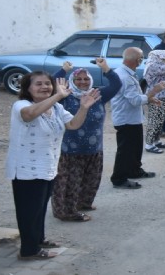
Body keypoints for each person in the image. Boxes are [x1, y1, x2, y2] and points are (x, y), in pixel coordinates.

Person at [6, 72, 99, 260]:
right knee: (29, 212)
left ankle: (38, 240)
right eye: (38, 84)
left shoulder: (56, 108)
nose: (44, 87)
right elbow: (29, 115)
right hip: (26, 169)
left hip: (48, 166)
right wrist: (58, 95)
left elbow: (73, 124)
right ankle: (29, 251)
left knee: (39, 209)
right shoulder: (21, 105)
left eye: (48, 84)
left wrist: (84, 108)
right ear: (27, 88)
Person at [51, 59, 121, 222]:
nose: (83, 82)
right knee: (69, 183)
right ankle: (67, 212)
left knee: (90, 180)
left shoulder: (97, 95)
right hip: (70, 150)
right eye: (78, 79)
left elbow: (116, 84)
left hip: (94, 148)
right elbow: (52, 82)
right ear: (72, 81)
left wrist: (105, 68)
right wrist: (63, 70)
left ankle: (83, 203)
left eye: (86, 79)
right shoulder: (64, 97)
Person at [110, 47, 165, 189]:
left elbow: (134, 97)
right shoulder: (124, 76)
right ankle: (119, 178)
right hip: (125, 119)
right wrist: (154, 91)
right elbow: (135, 100)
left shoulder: (127, 73)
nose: (142, 60)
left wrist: (150, 99)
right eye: (141, 58)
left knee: (135, 148)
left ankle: (134, 170)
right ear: (137, 60)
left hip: (132, 118)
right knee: (125, 151)